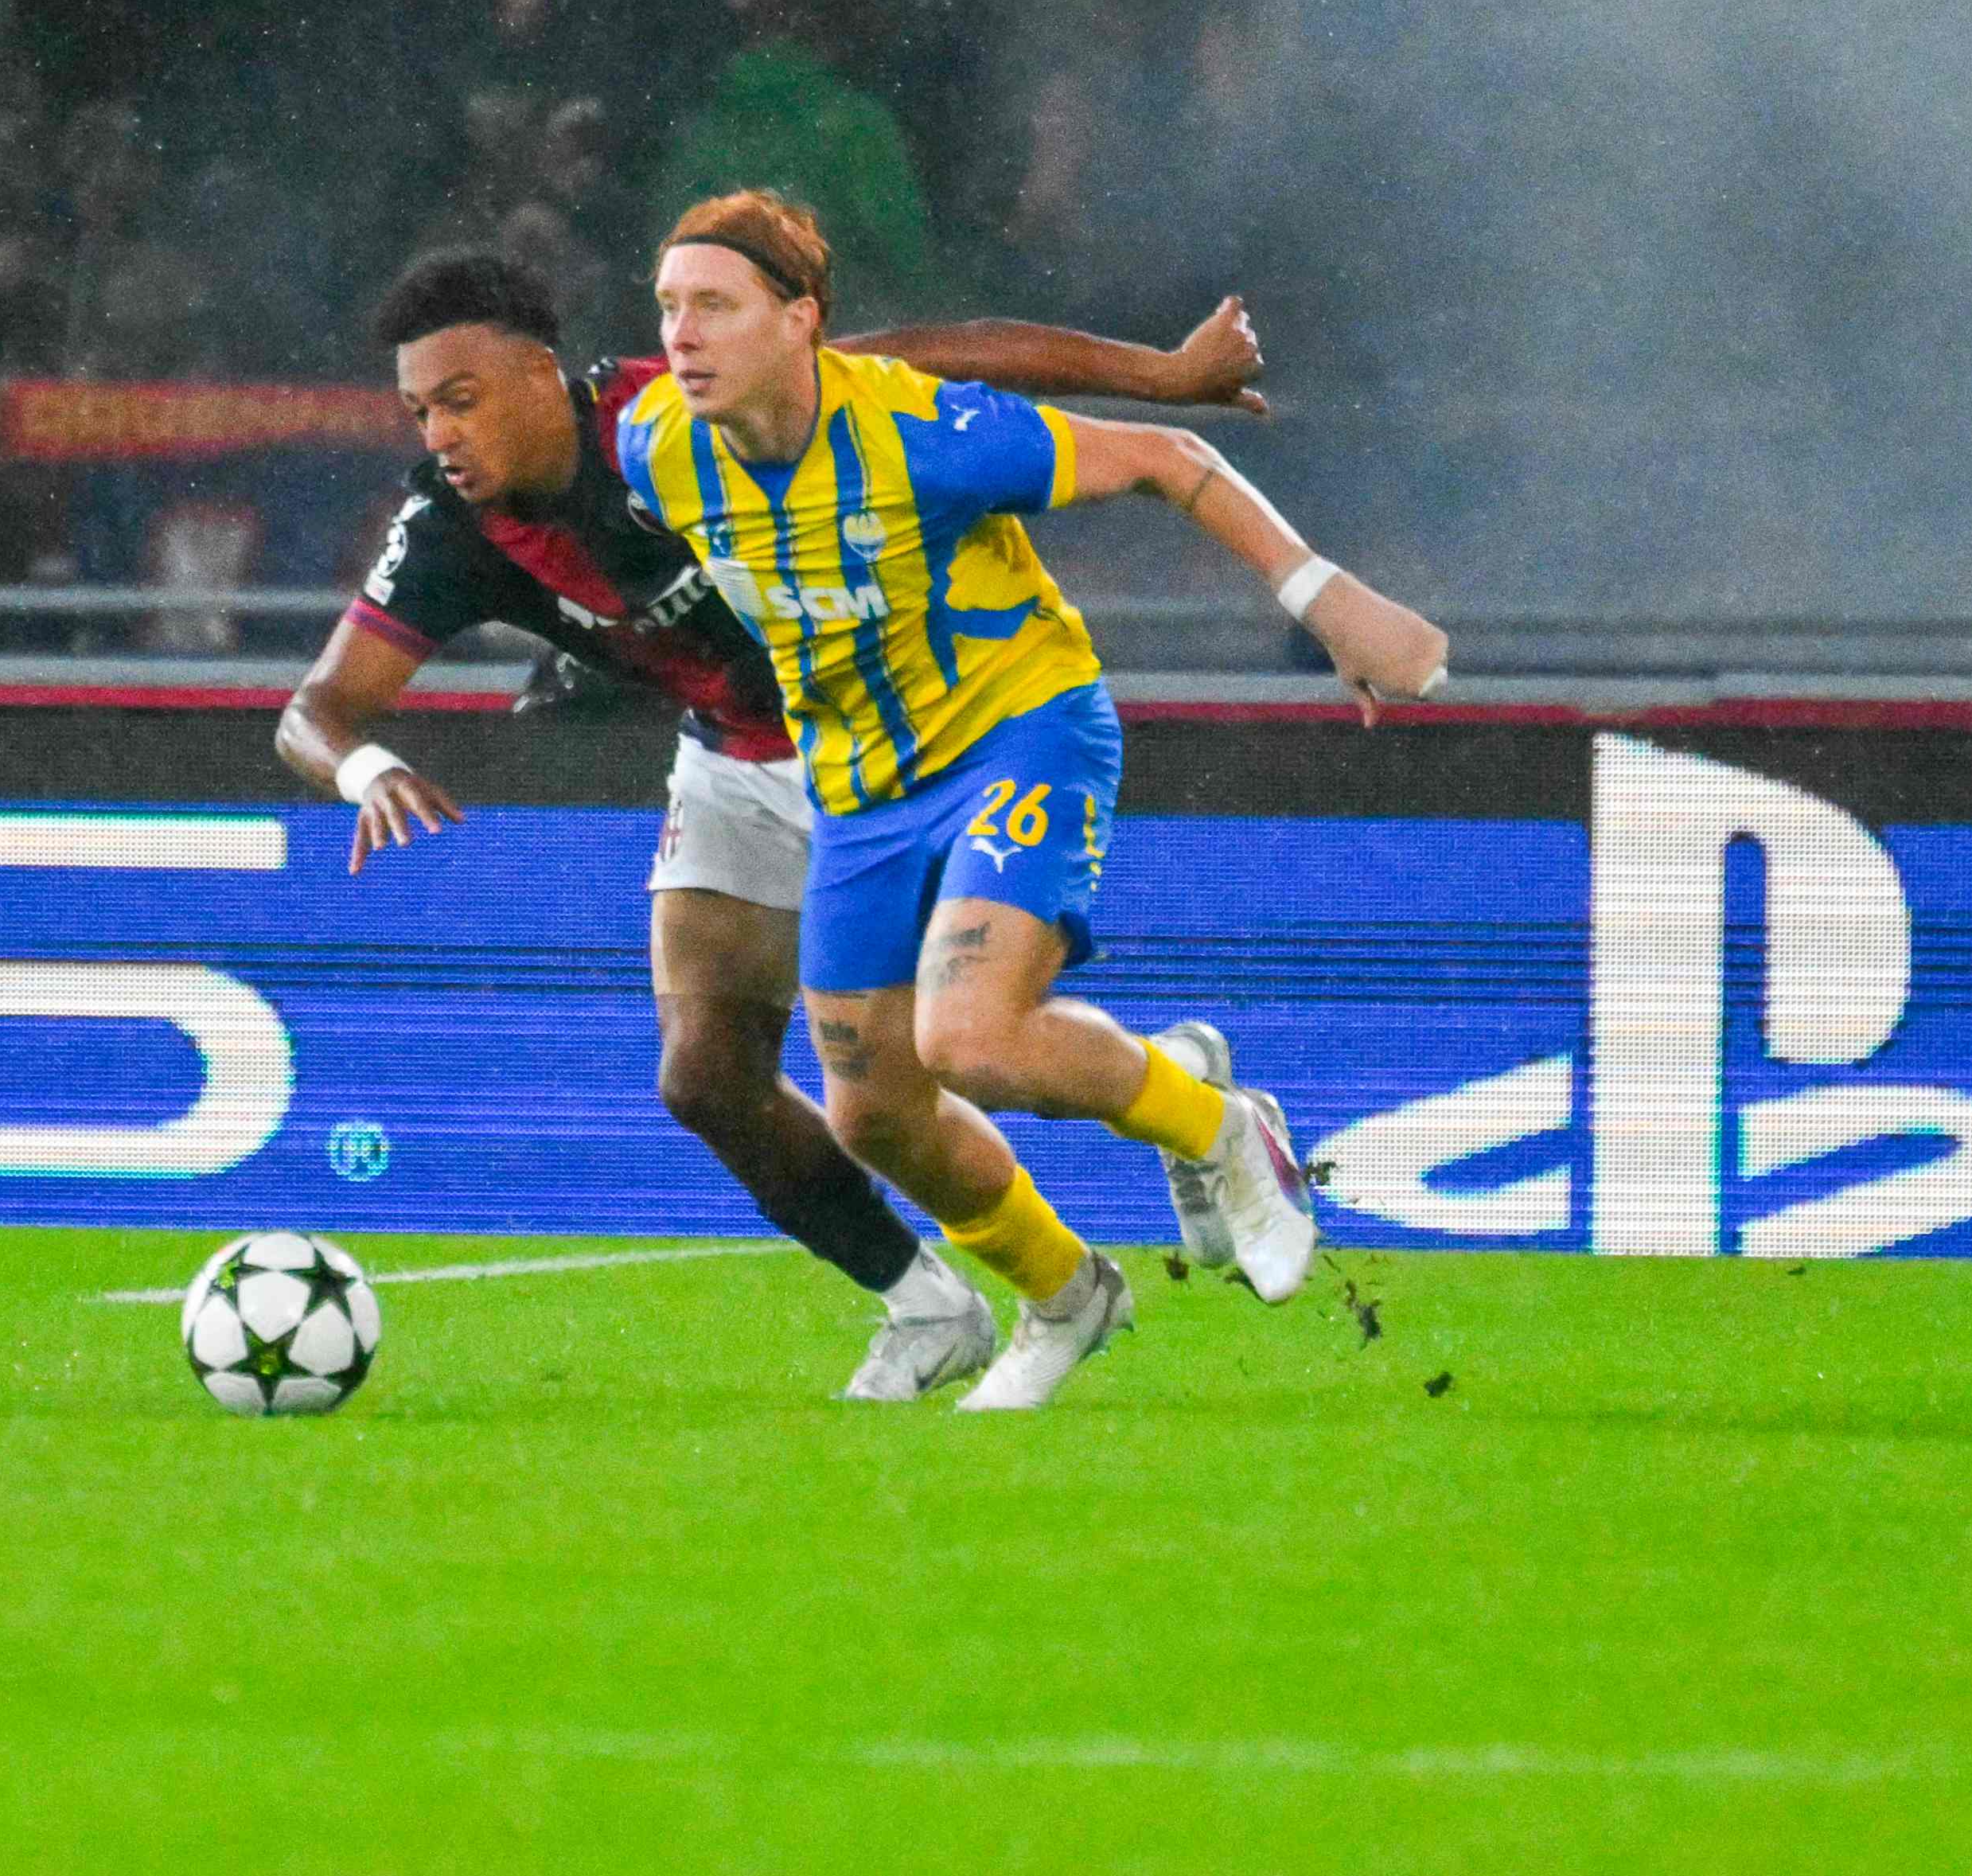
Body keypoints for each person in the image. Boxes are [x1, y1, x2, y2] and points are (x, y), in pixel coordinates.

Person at [279, 240, 1272, 1402]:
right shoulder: (450, 528)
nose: (438, 434)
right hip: (733, 760)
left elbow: (924, 362)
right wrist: (363, 771)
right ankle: (935, 1303)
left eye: (460, 399)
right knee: (705, 1076)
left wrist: (1161, 373)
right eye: (417, 412)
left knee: (939, 1061)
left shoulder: (672, 414)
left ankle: (1166, 1096)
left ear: (543, 375)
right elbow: (318, 709)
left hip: (903, 738)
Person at [618, 189, 1449, 1410]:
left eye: (715, 306)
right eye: (668, 306)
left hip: (1021, 732)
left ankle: (1216, 1127)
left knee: (967, 1036)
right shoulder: (656, 444)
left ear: (800, 323)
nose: (681, 333)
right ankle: (1068, 1293)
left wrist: (1324, 598)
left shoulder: (925, 436)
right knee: (873, 1113)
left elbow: (1169, 461)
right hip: (857, 788)